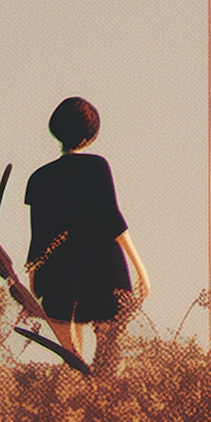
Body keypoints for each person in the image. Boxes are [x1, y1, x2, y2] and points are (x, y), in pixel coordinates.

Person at [23, 97, 149, 369]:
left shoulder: (38, 178)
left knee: (72, 357)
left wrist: (34, 276)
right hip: (102, 264)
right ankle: (101, 395)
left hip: (59, 270)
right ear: (91, 133)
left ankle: (81, 392)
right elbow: (113, 219)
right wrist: (141, 269)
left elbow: (38, 234)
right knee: (108, 345)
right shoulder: (96, 167)